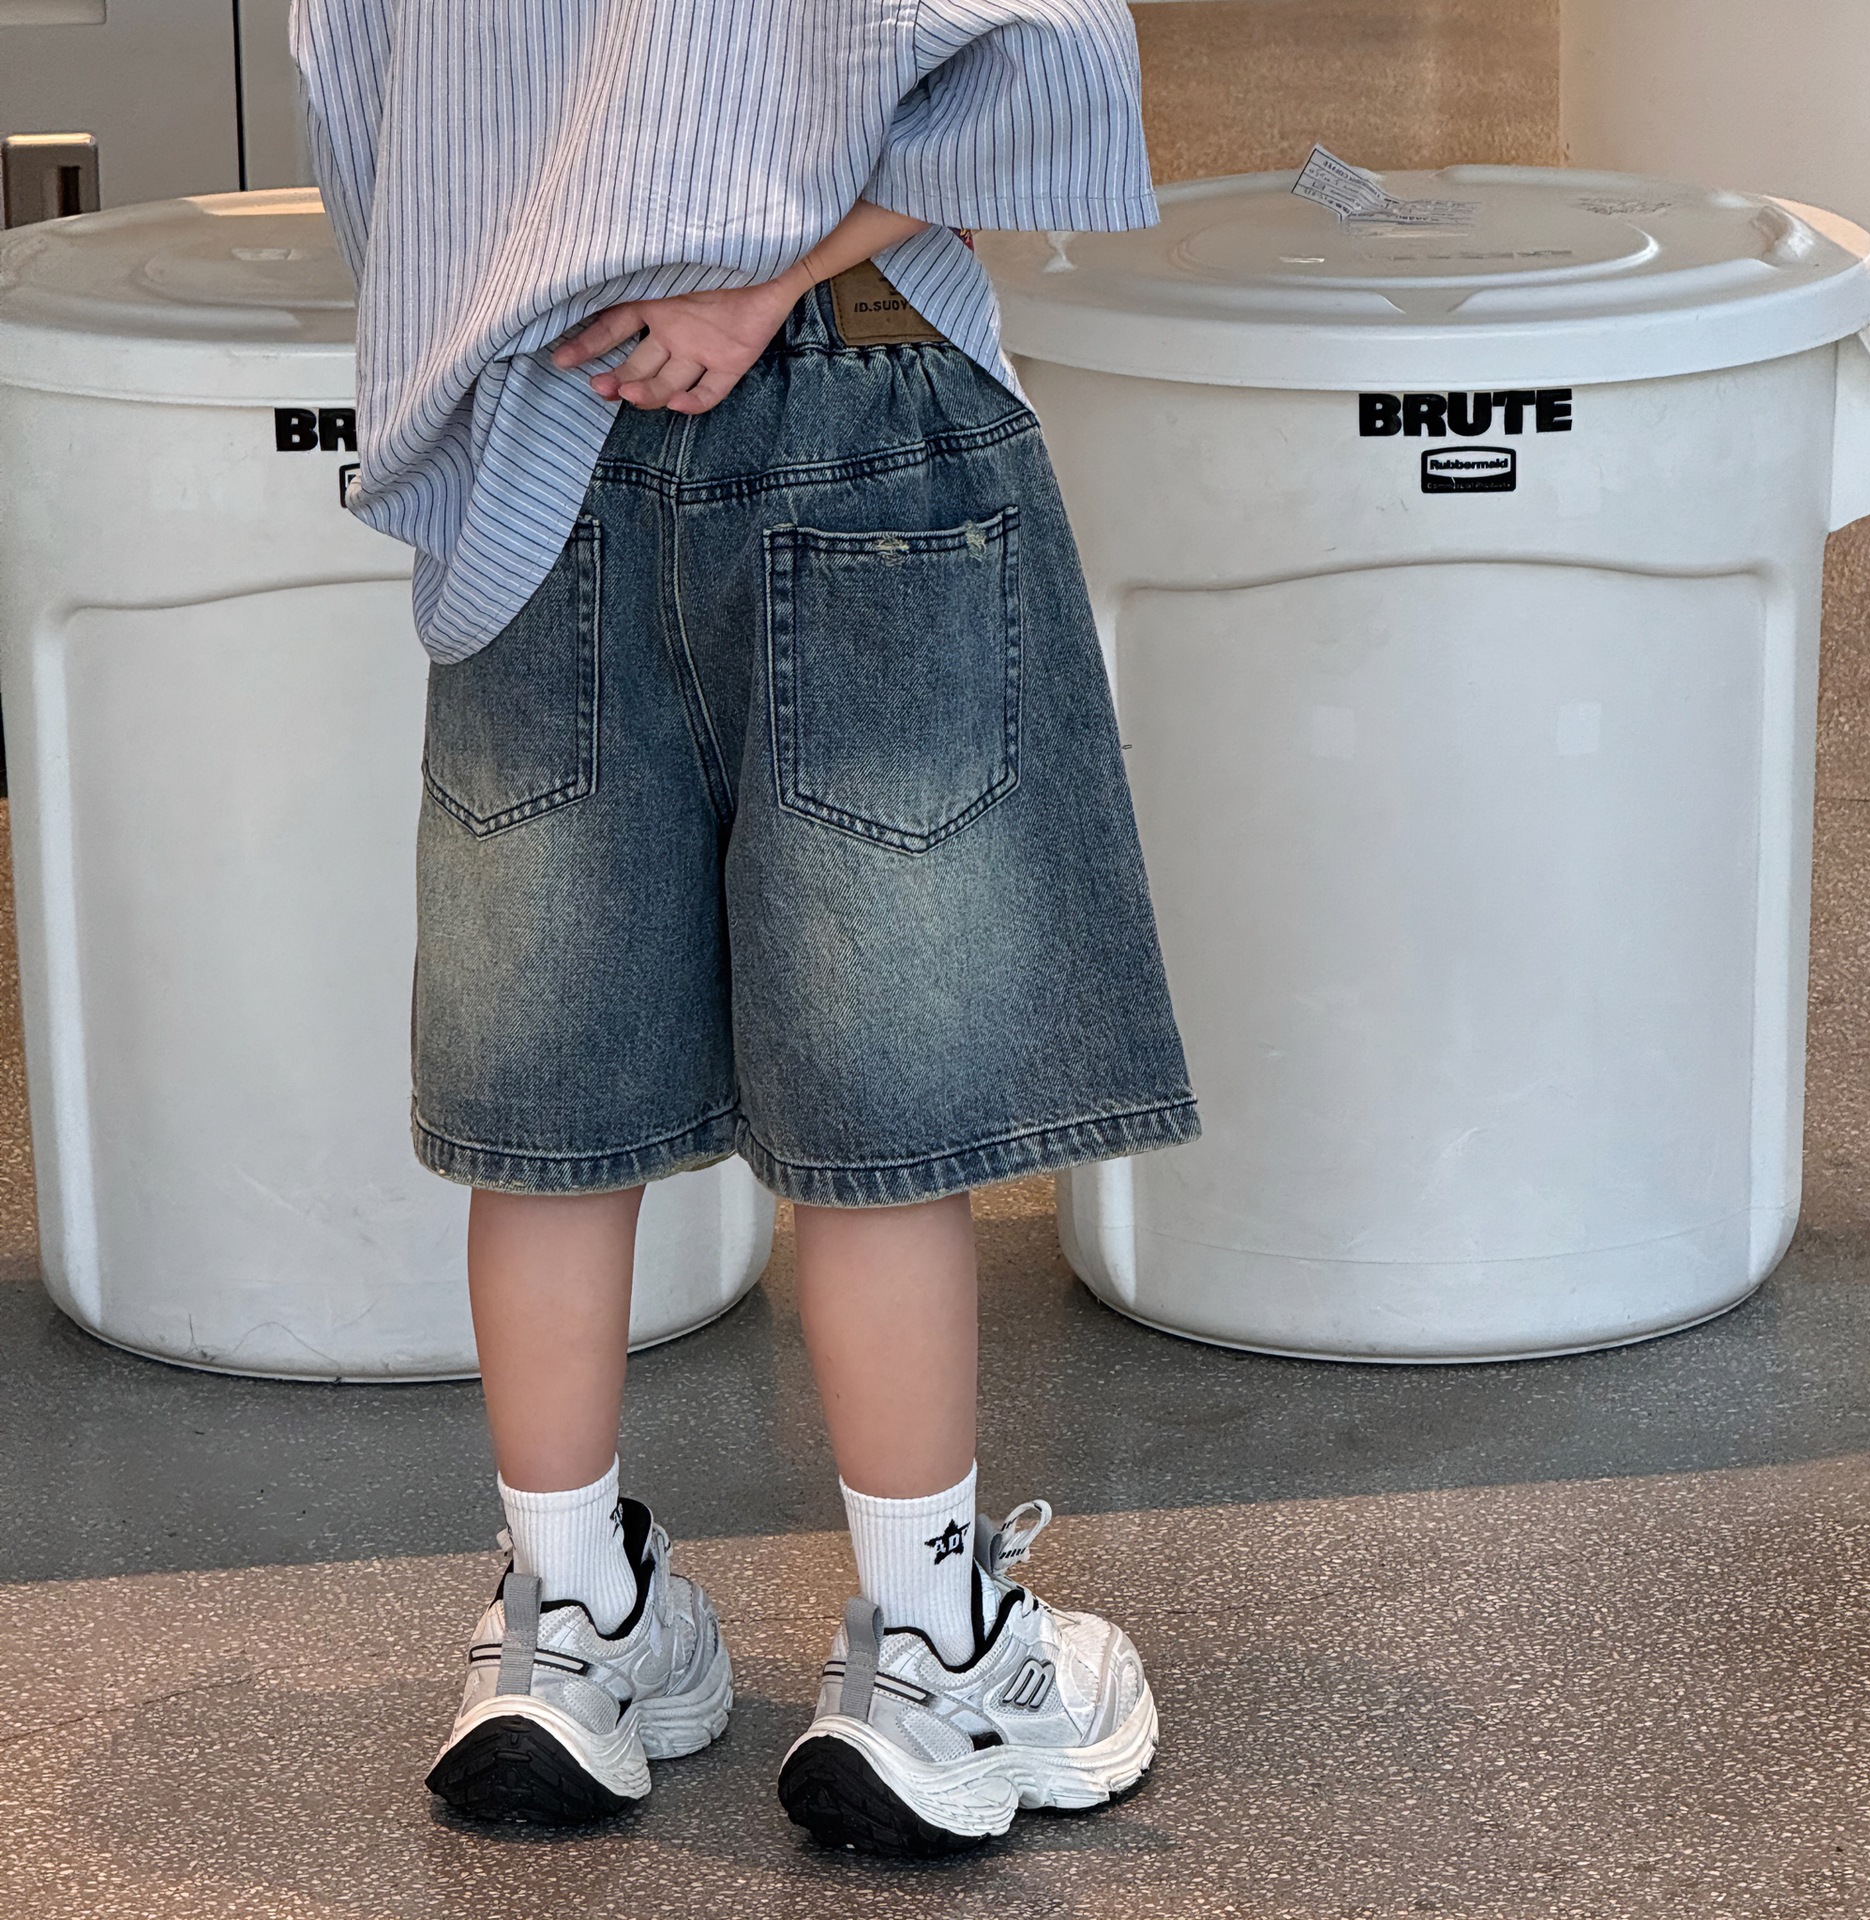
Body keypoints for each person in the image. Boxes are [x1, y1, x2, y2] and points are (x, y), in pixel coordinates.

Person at [292, 0, 1198, 1857]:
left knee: (552, 1095)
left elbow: (347, 79)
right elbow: (1045, 58)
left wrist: (521, 279)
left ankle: (563, 1630)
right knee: (883, 1095)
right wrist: (761, 276)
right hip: (862, 404)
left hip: (542, 432)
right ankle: (932, 1656)